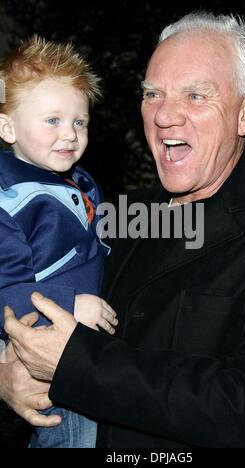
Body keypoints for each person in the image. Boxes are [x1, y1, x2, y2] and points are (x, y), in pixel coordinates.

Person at [3, 11, 245, 448]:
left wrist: (76, 364)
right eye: (152, 94)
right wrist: (10, 382)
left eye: (196, 95)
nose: (165, 116)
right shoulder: (116, 214)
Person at [0, 36, 118, 448]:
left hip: (85, 346)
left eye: (79, 121)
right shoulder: (9, 199)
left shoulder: (81, 183)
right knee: (72, 435)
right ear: (7, 126)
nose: (69, 134)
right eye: (52, 120)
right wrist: (69, 305)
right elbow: (5, 291)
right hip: (42, 345)